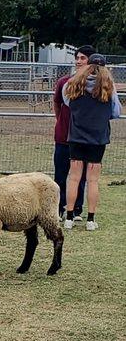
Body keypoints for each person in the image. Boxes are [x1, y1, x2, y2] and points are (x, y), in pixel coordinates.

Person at [62, 53, 122, 231]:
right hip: (98, 139)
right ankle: (90, 220)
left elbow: (67, 103)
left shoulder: (72, 85)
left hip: (76, 137)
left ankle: (69, 217)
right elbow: (116, 112)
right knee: (93, 180)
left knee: (73, 178)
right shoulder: (108, 88)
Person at [53, 45, 96, 221]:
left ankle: (76, 209)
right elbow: (57, 103)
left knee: (81, 176)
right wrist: (61, 121)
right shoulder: (64, 82)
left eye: (83, 58)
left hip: (83, 138)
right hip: (64, 137)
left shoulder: (96, 86)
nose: (79, 61)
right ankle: (58, 208)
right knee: (61, 175)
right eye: (77, 58)